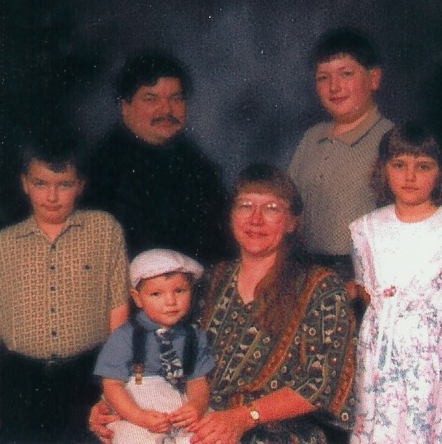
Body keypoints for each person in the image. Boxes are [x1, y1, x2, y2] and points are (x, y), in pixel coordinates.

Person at [90, 164, 357, 444]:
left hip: (273, 432)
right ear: (231, 216)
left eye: (272, 209)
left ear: (292, 222)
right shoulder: (209, 280)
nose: (256, 219)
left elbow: (322, 384)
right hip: (193, 417)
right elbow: (160, 349)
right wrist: (115, 404)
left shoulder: (321, 287)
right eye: (245, 206)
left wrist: (244, 417)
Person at [0, 136, 130, 443]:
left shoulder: (104, 231)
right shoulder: (1, 247)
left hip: (88, 378)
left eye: (64, 185)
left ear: (81, 185)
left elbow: (118, 310)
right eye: (40, 184)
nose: (52, 196)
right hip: (22, 383)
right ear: (25, 184)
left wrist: (114, 384)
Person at [348, 123, 442, 443]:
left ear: (441, 173)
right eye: (399, 165)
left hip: (437, 361)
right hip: (381, 358)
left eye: (423, 167)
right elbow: (369, 293)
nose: (409, 177)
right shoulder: (365, 230)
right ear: (384, 169)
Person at [82, 50, 229, 262]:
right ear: (125, 107)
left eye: (176, 99)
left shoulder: (200, 167)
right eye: (151, 99)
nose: (166, 110)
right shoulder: (100, 172)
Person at [288, 27, 394, 282]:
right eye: (323, 78)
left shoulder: (391, 141)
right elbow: (287, 205)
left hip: (360, 277)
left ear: (374, 78)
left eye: (346, 74)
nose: (334, 87)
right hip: (303, 271)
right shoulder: (312, 138)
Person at [94, 249, 215, 444]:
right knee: (131, 438)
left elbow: (197, 381)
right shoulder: (124, 336)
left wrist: (197, 406)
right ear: (138, 298)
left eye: (179, 291)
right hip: (136, 413)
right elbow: (112, 385)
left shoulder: (194, 337)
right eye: (156, 294)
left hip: (179, 410)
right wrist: (139, 416)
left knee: (206, 436)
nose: (171, 301)